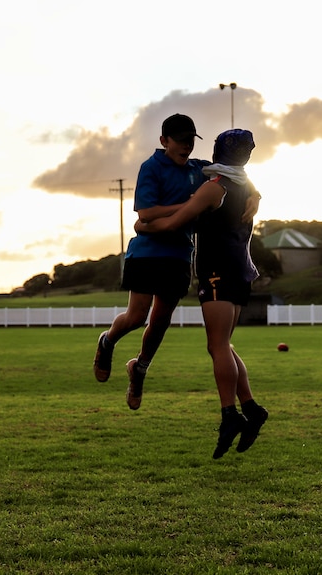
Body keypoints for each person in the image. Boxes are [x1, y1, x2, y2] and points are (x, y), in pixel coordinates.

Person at [92, 114, 259, 412]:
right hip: (147, 252)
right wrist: (189, 205)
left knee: (160, 321)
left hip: (179, 255)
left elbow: (235, 176)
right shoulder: (151, 168)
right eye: (180, 141)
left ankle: (139, 369)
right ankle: (107, 342)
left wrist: (256, 193)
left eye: (190, 141)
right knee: (137, 317)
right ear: (163, 141)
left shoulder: (199, 169)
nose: (186, 147)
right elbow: (146, 214)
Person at [134, 128, 268, 458]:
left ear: (219, 149)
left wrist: (141, 226)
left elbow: (174, 222)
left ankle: (229, 416)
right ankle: (250, 408)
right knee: (224, 345)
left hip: (218, 270)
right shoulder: (243, 182)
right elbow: (251, 186)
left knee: (217, 345)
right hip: (241, 270)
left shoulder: (214, 187)